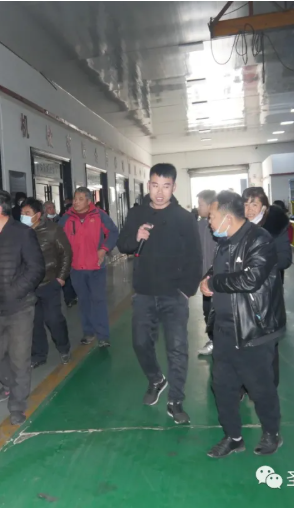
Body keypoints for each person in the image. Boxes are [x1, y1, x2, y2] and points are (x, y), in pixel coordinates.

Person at [201, 191, 286, 458]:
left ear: (227, 218)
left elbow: (250, 279)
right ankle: (233, 437)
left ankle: (272, 433)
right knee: (222, 386)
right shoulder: (224, 241)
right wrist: (209, 278)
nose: (209, 222)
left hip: (253, 330)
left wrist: (214, 282)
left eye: (212, 217)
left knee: (260, 388)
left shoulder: (259, 239)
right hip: (225, 330)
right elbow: (220, 271)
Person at [116, 164, 202, 424]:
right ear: (148, 186)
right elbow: (123, 245)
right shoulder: (137, 213)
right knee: (140, 343)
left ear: (174, 187)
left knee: (177, 348)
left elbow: (195, 256)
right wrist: (136, 236)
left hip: (174, 294)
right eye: (155, 186)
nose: (160, 192)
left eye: (166, 186)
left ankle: (176, 401)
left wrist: (186, 291)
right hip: (144, 292)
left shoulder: (184, 218)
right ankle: (156, 379)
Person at [0, 188, 45, 425]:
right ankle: (9, 385)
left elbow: (36, 269)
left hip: (19, 309)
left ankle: (17, 404)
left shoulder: (23, 234)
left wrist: (14, 291)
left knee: (19, 358)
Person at [242, 187, 291, 388]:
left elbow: (285, 259)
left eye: (254, 204)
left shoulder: (275, 228)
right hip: (242, 295)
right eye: (245, 204)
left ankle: (269, 388)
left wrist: (258, 264)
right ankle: (244, 385)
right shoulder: (237, 228)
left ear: (264, 207)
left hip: (268, 295)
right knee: (244, 344)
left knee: (268, 344)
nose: (249, 210)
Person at [59, 187, 119, 348]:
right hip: (76, 268)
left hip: (96, 267)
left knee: (98, 300)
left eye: (80, 199)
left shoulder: (99, 215)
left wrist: (103, 249)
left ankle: (103, 336)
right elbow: (57, 238)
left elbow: (113, 232)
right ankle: (88, 332)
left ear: (88, 201)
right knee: (84, 301)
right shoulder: (66, 218)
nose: (76, 202)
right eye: (75, 199)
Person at [20, 198, 72, 368]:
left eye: (27, 213)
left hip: (50, 283)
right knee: (34, 322)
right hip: (29, 285)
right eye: (22, 213)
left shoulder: (52, 230)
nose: (23, 216)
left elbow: (66, 254)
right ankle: (39, 354)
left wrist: (61, 278)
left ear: (38, 215)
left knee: (53, 319)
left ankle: (64, 348)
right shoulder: (20, 231)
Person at [196, 190, 217, 356]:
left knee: (219, 312)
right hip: (205, 278)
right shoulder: (200, 225)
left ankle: (220, 342)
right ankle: (213, 340)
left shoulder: (219, 225)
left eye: (201, 204)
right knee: (207, 311)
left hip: (218, 277)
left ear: (210, 206)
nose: (198, 208)